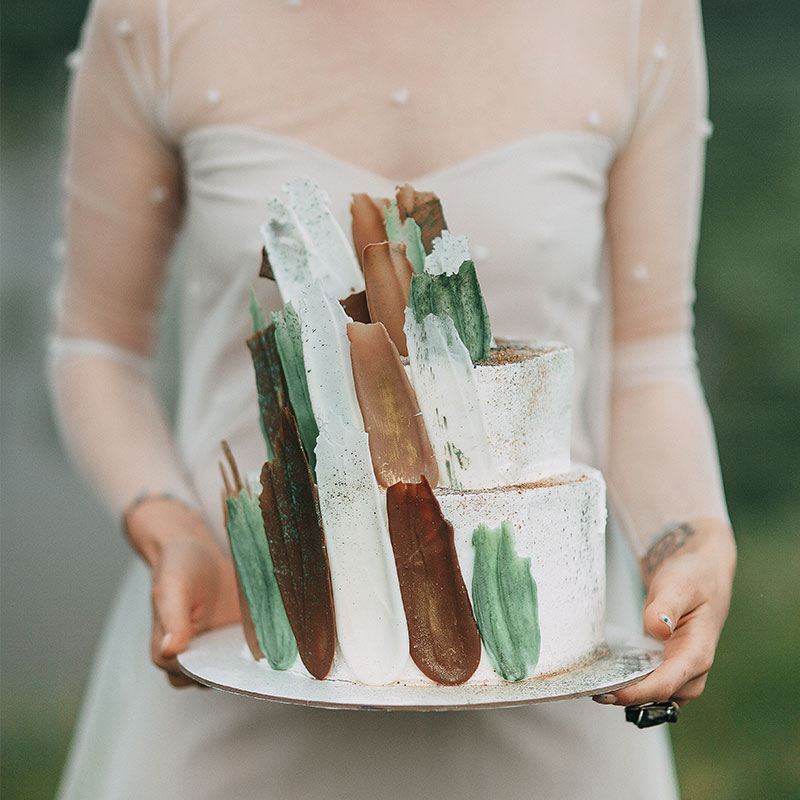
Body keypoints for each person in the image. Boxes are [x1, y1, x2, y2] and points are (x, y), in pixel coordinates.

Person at [50, 0, 736, 797]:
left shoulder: (640, 14)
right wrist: (172, 531)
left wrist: (688, 541)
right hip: (244, 645)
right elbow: (97, 347)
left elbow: (647, 361)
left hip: (548, 676)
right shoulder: (158, 15)